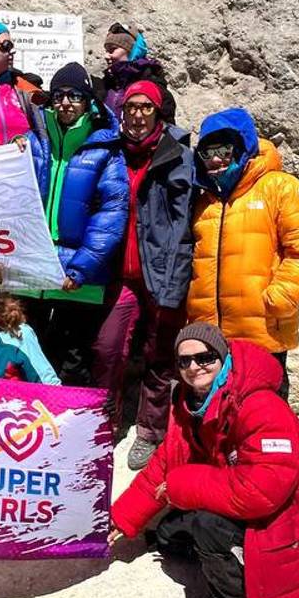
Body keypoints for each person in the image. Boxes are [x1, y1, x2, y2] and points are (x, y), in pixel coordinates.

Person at [109, 323, 299, 598]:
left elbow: (262, 491)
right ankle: (223, 556)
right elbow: (166, 461)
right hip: (239, 496)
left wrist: (181, 485)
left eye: (204, 358)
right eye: (184, 361)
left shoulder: (260, 405)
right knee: (167, 536)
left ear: (223, 357)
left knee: (206, 526)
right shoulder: (191, 403)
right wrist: (121, 518)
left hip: (290, 523)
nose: (194, 367)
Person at [186, 109, 299, 391]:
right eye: (207, 153)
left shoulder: (280, 187)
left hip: (262, 333)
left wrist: (277, 300)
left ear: (243, 148)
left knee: (264, 409)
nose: (216, 159)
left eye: (224, 150)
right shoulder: (204, 201)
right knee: (217, 412)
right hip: (210, 340)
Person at [92, 82, 194, 467]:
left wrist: (177, 274)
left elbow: (184, 224)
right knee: (107, 348)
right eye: (131, 107)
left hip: (162, 272)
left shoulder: (177, 155)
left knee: (159, 353)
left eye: (145, 108)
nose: (137, 115)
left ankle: (150, 430)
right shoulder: (113, 152)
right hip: (120, 274)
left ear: (157, 113)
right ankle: (106, 422)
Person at [26, 62, 128, 384]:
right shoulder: (33, 142)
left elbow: (111, 215)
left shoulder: (105, 149)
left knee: (72, 363)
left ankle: (71, 416)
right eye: (59, 96)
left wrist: (80, 268)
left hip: (78, 280)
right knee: (30, 359)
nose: (66, 103)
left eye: (74, 96)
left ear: (88, 101)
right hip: (35, 273)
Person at [93, 22, 175, 122]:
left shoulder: (153, 85)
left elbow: (165, 125)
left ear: (132, 51)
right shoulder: (107, 84)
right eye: (106, 51)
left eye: (112, 50)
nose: (106, 56)